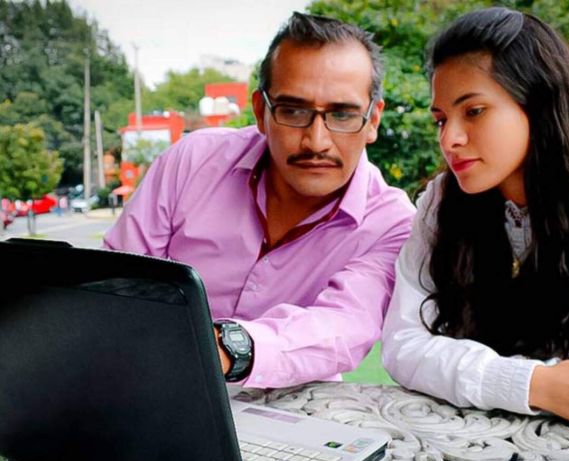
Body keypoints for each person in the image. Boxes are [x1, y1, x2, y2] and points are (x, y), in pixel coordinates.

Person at [381, 7, 569, 431]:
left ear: (540, 103)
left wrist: (458, 370)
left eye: (473, 111)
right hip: (448, 440)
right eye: (441, 119)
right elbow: (402, 347)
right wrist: (538, 384)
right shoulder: (441, 201)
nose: (449, 139)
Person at [104, 12, 415, 388]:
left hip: (294, 409)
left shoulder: (392, 223)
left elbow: (344, 325)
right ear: (260, 112)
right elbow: (118, 278)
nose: (316, 141)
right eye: (293, 111)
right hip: (152, 382)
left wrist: (226, 349)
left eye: (342, 114)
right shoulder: (192, 161)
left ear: (373, 120)